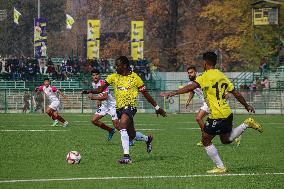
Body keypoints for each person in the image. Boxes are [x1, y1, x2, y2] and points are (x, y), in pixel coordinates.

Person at [161, 52, 263, 173]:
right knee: (225, 140)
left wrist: (172, 93)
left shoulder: (205, 75)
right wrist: (246, 105)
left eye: (202, 62)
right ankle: (246, 124)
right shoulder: (221, 75)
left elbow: (190, 87)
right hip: (227, 112)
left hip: (217, 116)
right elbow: (236, 93)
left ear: (205, 62)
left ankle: (220, 167)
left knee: (206, 140)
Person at [83, 56, 167, 164]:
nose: (116, 68)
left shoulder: (135, 78)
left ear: (125, 66)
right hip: (119, 108)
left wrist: (157, 107)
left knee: (122, 126)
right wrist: (89, 91)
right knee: (131, 134)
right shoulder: (113, 77)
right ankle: (147, 139)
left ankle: (127, 157)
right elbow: (100, 89)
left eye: (118, 66)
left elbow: (146, 94)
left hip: (130, 106)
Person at [185, 66, 241, 147]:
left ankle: (205, 137)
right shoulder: (190, 84)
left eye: (191, 72)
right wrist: (188, 101)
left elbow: (215, 85)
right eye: (188, 73)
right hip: (206, 103)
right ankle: (235, 135)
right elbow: (192, 92)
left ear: (195, 72)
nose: (190, 74)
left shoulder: (202, 79)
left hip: (211, 103)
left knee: (199, 118)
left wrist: (224, 95)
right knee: (217, 125)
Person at [85, 69, 118, 141]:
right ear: (91, 76)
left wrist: (94, 98)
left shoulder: (103, 83)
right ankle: (110, 130)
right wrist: (98, 100)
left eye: (97, 74)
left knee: (116, 125)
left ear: (99, 75)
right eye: (93, 75)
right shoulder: (93, 83)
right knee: (94, 120)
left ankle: (130, 138)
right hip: (105, 105)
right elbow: (98, 92)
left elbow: (105, 96)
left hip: (112, 105)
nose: (95, 76)